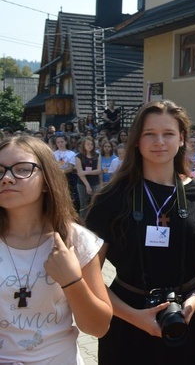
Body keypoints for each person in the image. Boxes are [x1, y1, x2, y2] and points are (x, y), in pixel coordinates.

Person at [85, 100, 195, 364]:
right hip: (126, 322)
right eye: (149, 134)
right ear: (136, 140)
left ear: (182, 139)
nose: (159, 141)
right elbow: (88, 274)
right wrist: (133, 316)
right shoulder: (110, 198)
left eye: (168, 134)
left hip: (185, 320)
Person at [0, 136, 113, 364]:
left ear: (46, 180)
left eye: (22, 169)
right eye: (0, 171)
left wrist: (72, 281)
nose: (7, 178)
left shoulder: (75, 240)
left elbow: (98, 327)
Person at [76, 136, 101, 216]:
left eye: (91, 144)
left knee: (95, 205)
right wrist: (87, 185)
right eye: (88, 144)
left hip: (95, 183)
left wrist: (86, 172)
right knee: (84, 206)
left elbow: (98, 171)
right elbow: (80, 173)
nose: (90, 146)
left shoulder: (97, 155)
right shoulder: (79, 156)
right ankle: (83, 223)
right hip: (82, 184)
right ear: (84, 145)